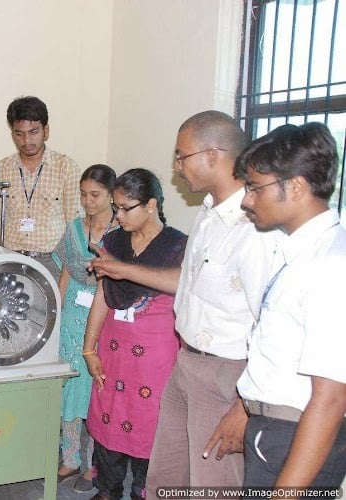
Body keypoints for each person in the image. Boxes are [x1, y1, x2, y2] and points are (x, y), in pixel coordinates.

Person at [90, 111, 280, 496]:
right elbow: (184, 281)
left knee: (213, 484)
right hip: (187, 362)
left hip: (226, 373)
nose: (176, 167)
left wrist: (245, 405)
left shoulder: (255, 226)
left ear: (212, 155)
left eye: (182, 155)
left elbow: (270, 322)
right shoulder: (210, 214)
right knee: (167, 479)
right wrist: (123, 271)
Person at [234, 123, 346, 492]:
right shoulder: (300, 253)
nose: (247, 199)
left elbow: (330, 398)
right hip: (275, 431)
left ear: (296, 186)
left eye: (254, 187)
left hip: (296, 437)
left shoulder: (329, 265)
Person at [82, 168, 187, 500]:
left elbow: (182, 285)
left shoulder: (177, 246)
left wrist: (122, 269)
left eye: (127, 207)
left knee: (148, 424)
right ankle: (107, 490)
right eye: (116, 207)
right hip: (114, 351)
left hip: (154, 358)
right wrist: (89, 348)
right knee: (109, 419)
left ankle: (145, 490)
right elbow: (103, 295)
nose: (119, 215)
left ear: (152, 204)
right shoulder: (113, 242)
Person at [52, 164, 117, 491]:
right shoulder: (75, 227)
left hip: (106, 310)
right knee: (69, 385)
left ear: (111, 195)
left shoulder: (121, 229)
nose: (88, 202)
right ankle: (70, 458)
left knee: (97, 387)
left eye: (95, 195)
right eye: (83, 195)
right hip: (73, 315)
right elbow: (65, 272)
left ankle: (94, 463)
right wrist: (56, 313)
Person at [0, 95, 80, 279]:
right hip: (11, 259)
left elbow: (74, 222)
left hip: (52, 262)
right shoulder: (2, 169)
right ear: (12, 133)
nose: (26, 140)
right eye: (19, 134)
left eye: (33, 132)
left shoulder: (66, 167)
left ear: (46, 131)